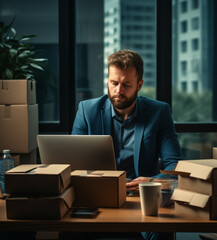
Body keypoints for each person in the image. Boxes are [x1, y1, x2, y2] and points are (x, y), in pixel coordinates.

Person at [71, 49, 183, 240]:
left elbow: (175, 165)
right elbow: (72, 162)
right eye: (114, 83)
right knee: (69, 229)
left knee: (161, 232)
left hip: (141, 200)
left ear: (139, 85)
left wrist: (152, 182)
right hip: (98, 199)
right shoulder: (86, 111)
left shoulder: (160, 112)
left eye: (126, 85)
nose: (118, 91)